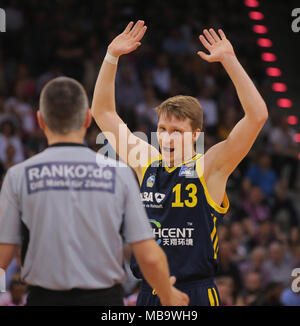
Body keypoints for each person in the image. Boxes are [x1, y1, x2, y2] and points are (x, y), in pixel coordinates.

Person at [91, 21, 268, 306]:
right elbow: (103, 111)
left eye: (177, 132)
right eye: (162, 130)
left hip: (195, 291)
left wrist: (230, 61)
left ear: (196, 135)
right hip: (150, 292)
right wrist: (111, 56)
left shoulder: (210, 166)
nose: (167, 138)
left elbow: (257, 116)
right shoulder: (146, 161)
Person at [0, 76, 189, 306]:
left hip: (43, 297)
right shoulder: (119, 174)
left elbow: (3, 254)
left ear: (40, 120)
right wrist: (168, 295)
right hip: (105, 299)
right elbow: (148, 254)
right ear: (88, 119)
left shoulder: (18, 175)